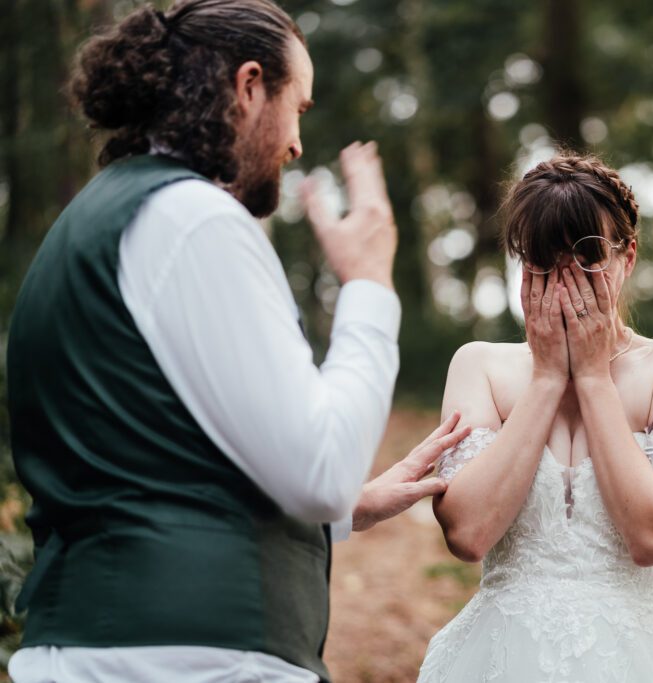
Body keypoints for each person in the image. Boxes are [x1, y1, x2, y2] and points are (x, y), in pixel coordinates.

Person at [5, 1, 468, 682]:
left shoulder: (96, 219)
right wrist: (369, 285)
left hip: (88, 649)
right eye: (299, 108)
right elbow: (319, 470)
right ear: (250, 88)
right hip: (196, 659)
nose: (297, 145)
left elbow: (153, 455)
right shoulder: (197, 221)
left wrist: (351, 505)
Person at [418, 154, 653, 682]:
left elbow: (652, 539)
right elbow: (467, 534)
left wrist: (595, 379)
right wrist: (548, 380)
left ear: (628, 257)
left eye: (586, 255)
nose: (564, 279)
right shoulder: (479, 365)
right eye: (541, 258)